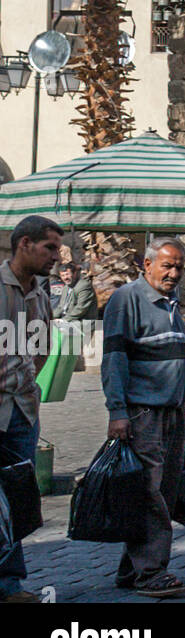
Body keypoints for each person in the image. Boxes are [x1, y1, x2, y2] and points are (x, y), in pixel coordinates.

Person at [101, 236, 185, 599]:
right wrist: (117, 412)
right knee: (150, 493)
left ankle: (132, 568)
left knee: (163, 492)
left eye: (179, 267)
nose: (174, 273)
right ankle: (151, 571)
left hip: (172, 413)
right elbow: (114, 359)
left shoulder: (172, 302)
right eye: (167, 266)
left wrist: (184, 409)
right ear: (147, 264)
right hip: (143, 412)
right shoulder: (126, 299)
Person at [0, 215, 61, 603]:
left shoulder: (40, 293)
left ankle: (8, 585)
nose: (56, 256)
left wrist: (25, 382)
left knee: (16, 501)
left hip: (23, 412)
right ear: (24, 243)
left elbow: (43, 346)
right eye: (49, 247)